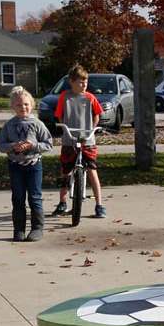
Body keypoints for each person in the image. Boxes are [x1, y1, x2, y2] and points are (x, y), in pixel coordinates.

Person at [0, 87, 52, 242]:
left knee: (35, 197)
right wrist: (13, 146)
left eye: (26, 104)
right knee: (18, 197)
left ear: (32, 105)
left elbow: (48, 144)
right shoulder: (9, 125)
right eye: (19, 105)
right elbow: (1, 145)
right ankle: (19, 229)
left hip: (34, 166)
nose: (23, 108)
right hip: (15, 166)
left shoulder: (37, 124)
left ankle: (37, 228)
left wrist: (32, 145)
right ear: (13, 107)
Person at [51, 64, 106, 218]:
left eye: (86, 82)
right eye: (80, 82)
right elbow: (60, 115)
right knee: (66, 171)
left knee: (92, 171)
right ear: (72, 82)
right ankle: (62, 202)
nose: (84, 85)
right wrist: (64, 127)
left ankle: (99, 205)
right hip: (70, 139)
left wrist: (92, 128)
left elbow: (97, 115)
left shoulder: (90, 97)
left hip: (88, 140)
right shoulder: (64, 97)